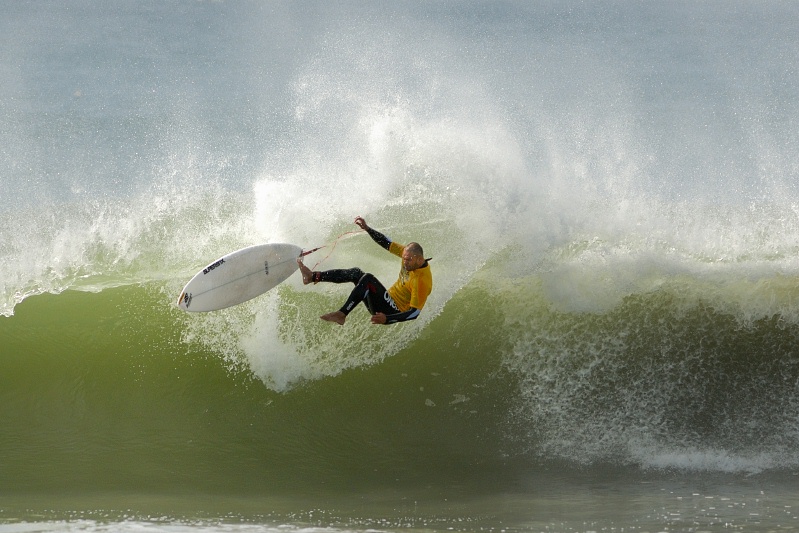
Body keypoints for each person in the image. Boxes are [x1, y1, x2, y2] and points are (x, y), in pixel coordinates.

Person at [297, 216, 433, 325]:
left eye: (408, 260)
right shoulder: (408, 254)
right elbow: (386, 243)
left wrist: (387, 318)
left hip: (391, 311)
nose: (405, 262)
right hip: (386, 299)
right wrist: (367, 228)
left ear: (420, 260)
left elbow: (414, 313)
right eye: (404, 258)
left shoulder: (422, 280)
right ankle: (312, 277)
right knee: (356, 273)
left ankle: (341, 314)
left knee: (368, 279)